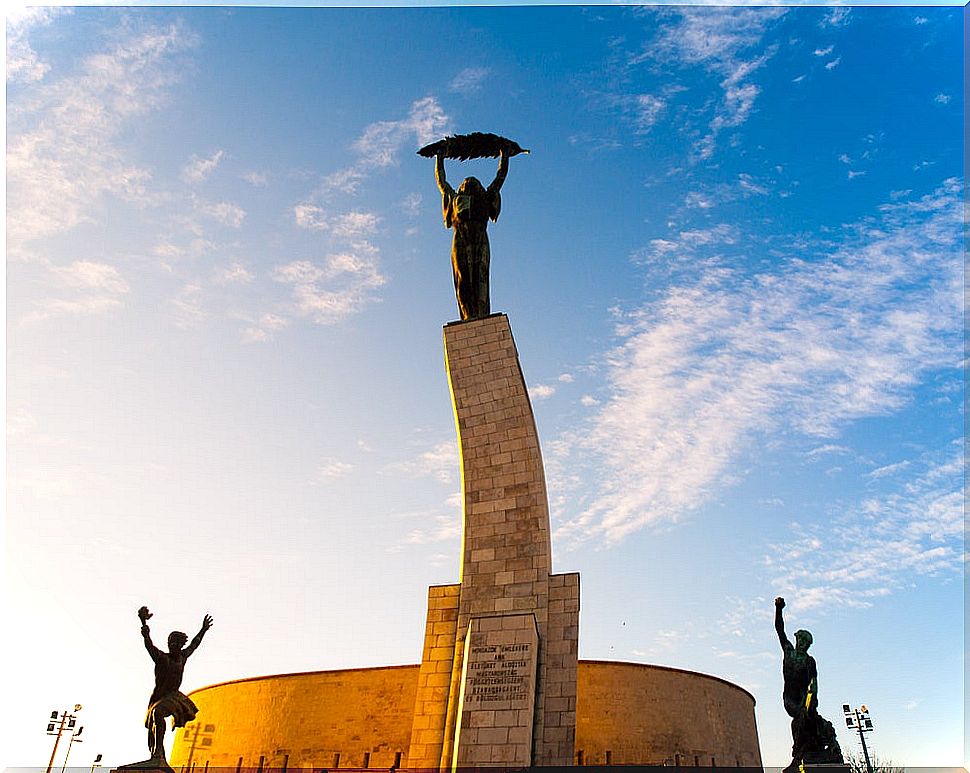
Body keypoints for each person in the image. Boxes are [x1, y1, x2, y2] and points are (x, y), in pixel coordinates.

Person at [435, 149, 509, 321]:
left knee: (480, 276)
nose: (469, 182)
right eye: (466, 182)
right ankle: (468, 315)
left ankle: (482, 314)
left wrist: (504, 156)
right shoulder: (454, 198)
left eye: (473, 182)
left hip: (479, 237)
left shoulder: (485, 196)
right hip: (460, 236)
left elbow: (500, 177)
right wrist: (439, 158)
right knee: (462, 278)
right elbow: (441, 181)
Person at [138, 606, 213, 765]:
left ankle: (158, 752)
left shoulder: (182, 657)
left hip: (173, 696)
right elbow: (149, 646)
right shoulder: (162, 658)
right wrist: (146, 635)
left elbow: (194, 644)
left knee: (158, 713)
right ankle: (158, 752)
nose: (171, 645)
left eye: (175, 643)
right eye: (170, 642)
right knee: (153, 723)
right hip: (159, 696)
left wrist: (203, 630)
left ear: (179, 645)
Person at [774, 597, 842, 770]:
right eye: (802, 640)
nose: (803, 644)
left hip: (805, 696)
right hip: (790, 698)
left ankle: (807, 751)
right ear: (797, 640)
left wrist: (812, 697)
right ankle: (803, 752)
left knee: (807, 719)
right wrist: (779, 609)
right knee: (801, 719)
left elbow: (814, 680)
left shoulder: (809, 661)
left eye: (807, 643)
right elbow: (779, 629)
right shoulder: (788, 651)